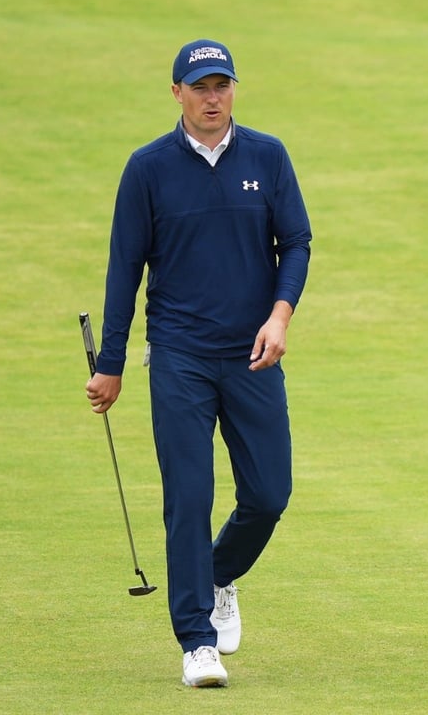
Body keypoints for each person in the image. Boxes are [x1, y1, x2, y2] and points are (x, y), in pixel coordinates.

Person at [84, 38, 313, 687]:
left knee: (269, 494)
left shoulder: (267, 156)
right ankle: (196, 642)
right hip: (180, 356)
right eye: (200, 87)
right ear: (177, 94)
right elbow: (124, 269)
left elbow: (295, 242)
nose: (213, 99)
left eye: (222, 86)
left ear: (234, 89)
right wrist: (111, 361)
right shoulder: (148, 169)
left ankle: (218, 574)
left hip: (253, 355)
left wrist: (279, 315)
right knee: (189, 496)